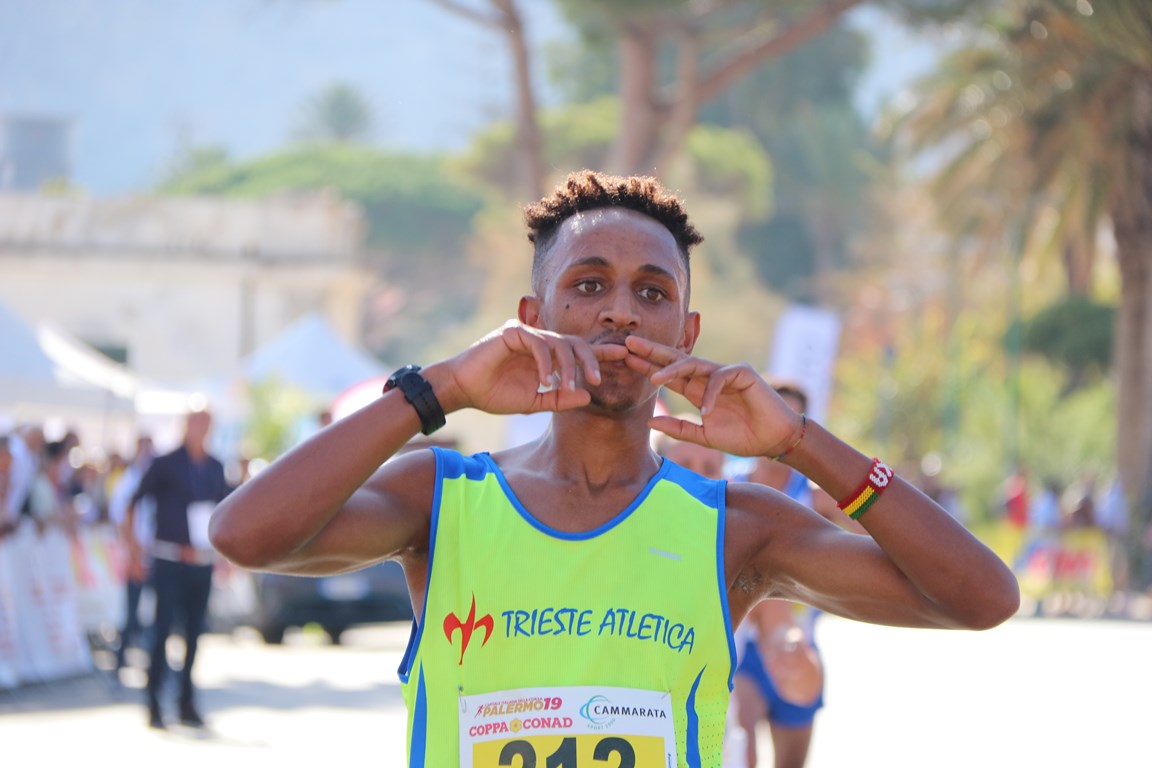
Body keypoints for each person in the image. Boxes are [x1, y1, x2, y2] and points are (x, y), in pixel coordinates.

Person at [210, 170, 1019, 767]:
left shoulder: (736, 529)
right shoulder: (443, 497)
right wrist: (440, 389)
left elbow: (983, 598)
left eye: (652, 292)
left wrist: (801, 442)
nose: (621, 311)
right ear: (534, 317)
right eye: (589, 284)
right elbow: (245, 535)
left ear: (686, 332)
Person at [728, 380, 864, 768]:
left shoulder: (817, 493)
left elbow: (876, 542)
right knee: (741, 743)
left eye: (788, 419)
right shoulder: (729, 483)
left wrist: (844, 490)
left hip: (796, 641)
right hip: (741, 643)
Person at [126, 410, 229, 730]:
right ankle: (154, 702)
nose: (201, 428)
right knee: (162, 631)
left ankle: (186, 702)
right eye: (195, 422)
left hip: (201, 561)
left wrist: (225, 556)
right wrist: (133, 550)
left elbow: (224, 510)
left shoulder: (215, 466)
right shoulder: (165, 463)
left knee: (194, 634)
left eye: (206, 423)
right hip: (169, 559)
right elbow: (133, 502)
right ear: (185, 425)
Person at [109, 434, 155, 673]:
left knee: (155, 612)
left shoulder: (154, 478)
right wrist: (133, 554)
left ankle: (154, 664)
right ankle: (120, 660)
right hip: (136, 554)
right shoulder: (129, 481)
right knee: (132, 610)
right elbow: (122, 519)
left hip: (153, 552)